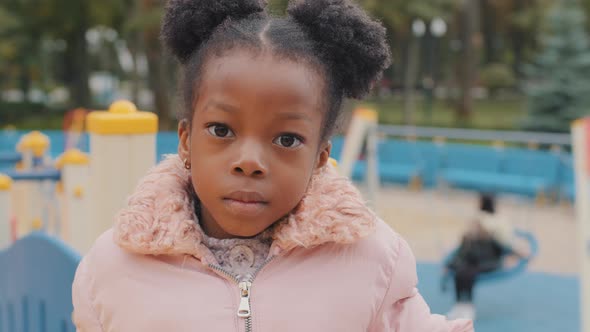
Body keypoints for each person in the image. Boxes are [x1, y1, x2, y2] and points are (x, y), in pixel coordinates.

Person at [71, 0, 473, 331]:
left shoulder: (373, 260)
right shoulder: (113, 268)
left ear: (319, 158)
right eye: (221, 130)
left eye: (286, 139)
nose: (249, 162)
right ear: (185, 141)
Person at [446, 193, 526, 320]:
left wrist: (515, 253)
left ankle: (468, 307)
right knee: (460, 272)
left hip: (489, 259)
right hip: (473, 257)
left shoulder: (498, 221)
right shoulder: (485, 219)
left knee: (469, 273)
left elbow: (504, 242)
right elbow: (466, 241)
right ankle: (460, 305)